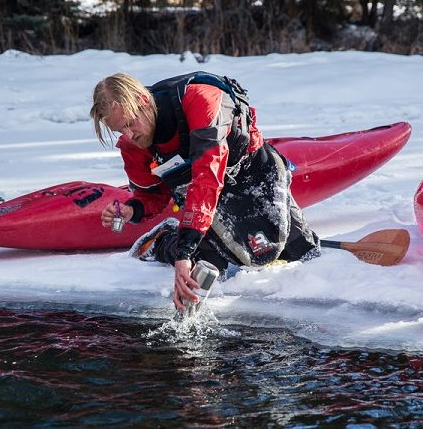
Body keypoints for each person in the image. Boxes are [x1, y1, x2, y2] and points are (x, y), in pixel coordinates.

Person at [89, 71, 320, 312]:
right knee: (208, 269)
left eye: (129, 124)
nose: (128, 135)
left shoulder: (200, 100)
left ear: (143, 101)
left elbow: (207, 178)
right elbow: (152, 195)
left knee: (300, 251)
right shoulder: (133, 145)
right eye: (119, 131)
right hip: (204, 197)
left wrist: (184, 252)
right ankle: (163, 241)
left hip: (252, 171)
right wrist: (131, 209)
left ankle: (182, 240)